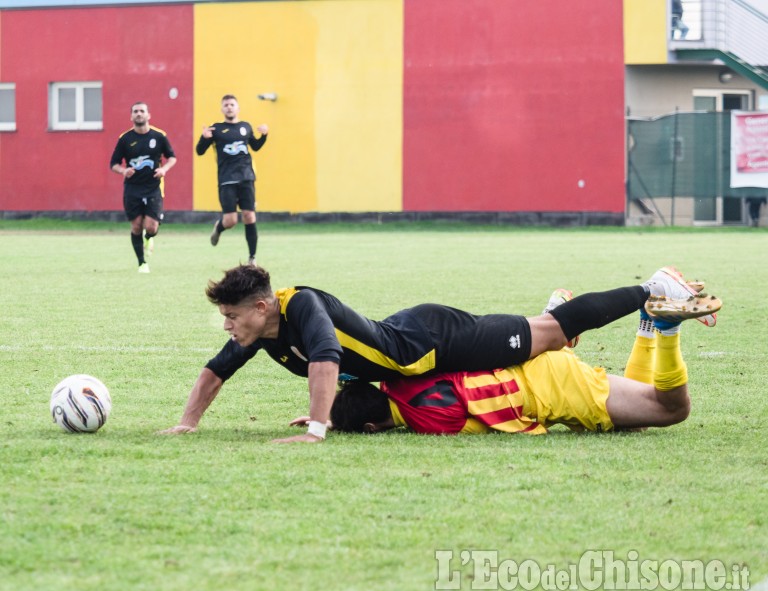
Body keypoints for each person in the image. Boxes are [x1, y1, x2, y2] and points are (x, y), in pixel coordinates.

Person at [158, 265, 721, 443]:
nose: (228, 326)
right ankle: (560, 312)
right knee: (545, 337)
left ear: (260, 304)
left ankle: (652, 290)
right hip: (419, 347)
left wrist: (318, 429)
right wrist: (186, 424)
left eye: (233, 316)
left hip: (434, 342)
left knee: (551, 331)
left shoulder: (299, 304)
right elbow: (216, 370)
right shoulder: (262, 330)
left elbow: (327, 357)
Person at [322, 299, 706, 436]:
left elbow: (497, 415)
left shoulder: (426, 421)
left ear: (372, 428)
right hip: (527, 362)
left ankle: (667, 330)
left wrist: (342, 419)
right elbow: (351, 374)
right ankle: (647, 326)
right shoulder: (395, 378)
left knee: (670, 409)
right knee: (635, 419)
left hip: (552, 390)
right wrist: (324, 415)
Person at [196, 94, 268, 265]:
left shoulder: (245, 127)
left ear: (238, 108)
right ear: (222, 109)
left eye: (232, 104)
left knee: (249, 216)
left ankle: (252, 258)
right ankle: (218, 228)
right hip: (226, 179)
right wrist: (203, 138)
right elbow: (199, 151)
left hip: (246, 178)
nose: (229, 107)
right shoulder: (216, 129)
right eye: (226, 105)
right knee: (231, 220)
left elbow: (255, 147)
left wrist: (264, 136)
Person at [110, 102, 177, 273]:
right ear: (131, 116)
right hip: (133, 188)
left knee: (151, 227)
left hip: (154, 187)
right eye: (135, 111)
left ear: (148, 115)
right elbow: (113, 164)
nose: (139, 114)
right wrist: (124, 171)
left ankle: (149, 238)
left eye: (142, 111)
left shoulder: (159, 136)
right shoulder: (125, 139)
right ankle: (142, 263)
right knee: (136, 226)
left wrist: (164, 169)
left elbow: (172, 158)